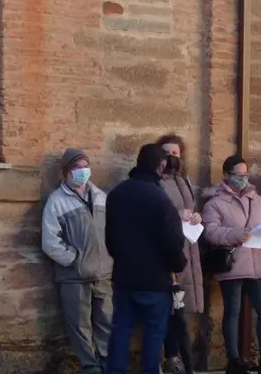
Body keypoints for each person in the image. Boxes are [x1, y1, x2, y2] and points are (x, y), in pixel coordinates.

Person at [105, 143, 188, 374]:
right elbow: (173, 241)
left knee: (121, 328)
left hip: (124, 276)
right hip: (155, 280)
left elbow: (110, 239)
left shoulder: (116, 194)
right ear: (160, 165)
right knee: (153, 334)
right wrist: (178, 264)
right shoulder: (160, 199)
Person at [201, 155, 261, 374]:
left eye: (246, 175)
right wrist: (236, 234)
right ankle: (234, 360)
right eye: (238, 175)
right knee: (233, 312)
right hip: (234, 264)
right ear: (226, 176)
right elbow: (210, 232)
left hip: (257, 263)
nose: (243, 179)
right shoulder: (215, 203)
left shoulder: (257, 200)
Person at [42, 148, 114, 374]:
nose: (82, 171)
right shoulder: (57, 201)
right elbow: (50, 241)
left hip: (103, 273)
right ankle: (90, 365)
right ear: (66, 172)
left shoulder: (101, 196)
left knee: (107, 320)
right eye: (76, 167)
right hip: (74, 275)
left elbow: (112, 230)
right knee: (79, 325)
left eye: (85, 165)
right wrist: (73, 259)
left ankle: (107, 361)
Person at [155, 134, 204, 374]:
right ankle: (173, 357)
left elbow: (190, 209)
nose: (172, 157)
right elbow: (155, 211)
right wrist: (178, 213)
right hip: (169, 252)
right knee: (172, 310)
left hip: (188, 248)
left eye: (176, 153)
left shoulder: (184, 180)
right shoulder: (156, 181)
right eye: (167, 153)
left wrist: (196, 216)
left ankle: (180, 359)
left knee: (181, 310)